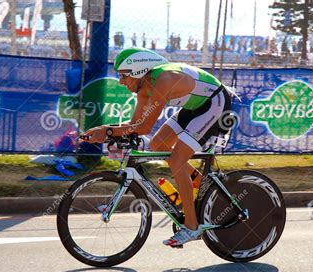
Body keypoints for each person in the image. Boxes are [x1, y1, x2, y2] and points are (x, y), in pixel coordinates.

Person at [82, 48, 233, 246]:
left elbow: (143, 127)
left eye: (123, 76)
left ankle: (192, 226)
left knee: (178, 160)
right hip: (194, 107)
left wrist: (108, 132)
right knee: (157, 145)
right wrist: (104, 129)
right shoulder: (144, 89)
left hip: (215, 103)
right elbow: (134, 126)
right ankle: (196, 179)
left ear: (137, 71)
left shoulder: (164, 80)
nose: (121, 82)